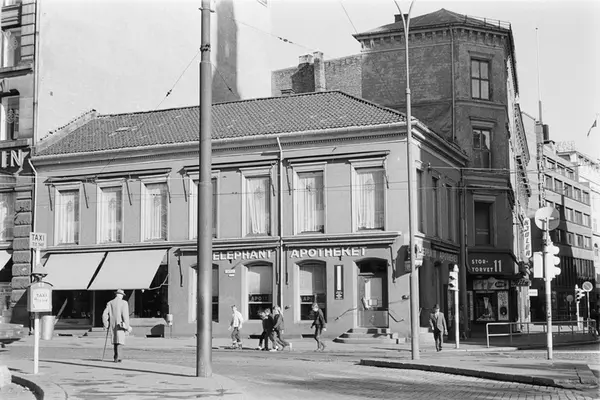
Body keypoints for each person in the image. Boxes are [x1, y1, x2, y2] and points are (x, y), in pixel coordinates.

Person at [102, 289, 131, 363]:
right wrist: (127, 326)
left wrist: (106, 324)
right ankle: (118, 357)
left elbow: (104, 314)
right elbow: (125, 316)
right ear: (121, 295)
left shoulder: (110, 303)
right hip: (120, 325)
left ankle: (116, 356)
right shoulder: (124, 303)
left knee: (115, 340)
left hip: (113, 325)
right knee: (120, 341)